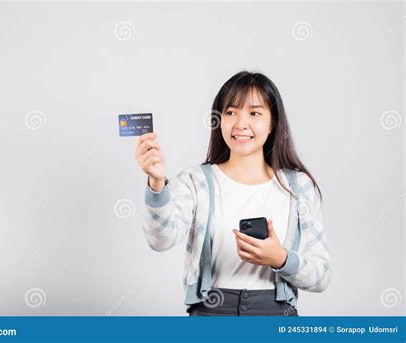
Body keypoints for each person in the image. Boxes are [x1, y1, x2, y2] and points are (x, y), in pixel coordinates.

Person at [135, 70, 332, 316]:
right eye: (230, 112)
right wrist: (156, 181)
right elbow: (160, 241)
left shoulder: (299, 187)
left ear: (273, 122)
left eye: (254, 113)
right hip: (210, 316)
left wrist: (280, 258)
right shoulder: (196, 181)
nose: (240, 124)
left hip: (275, 316)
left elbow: (321, 276)